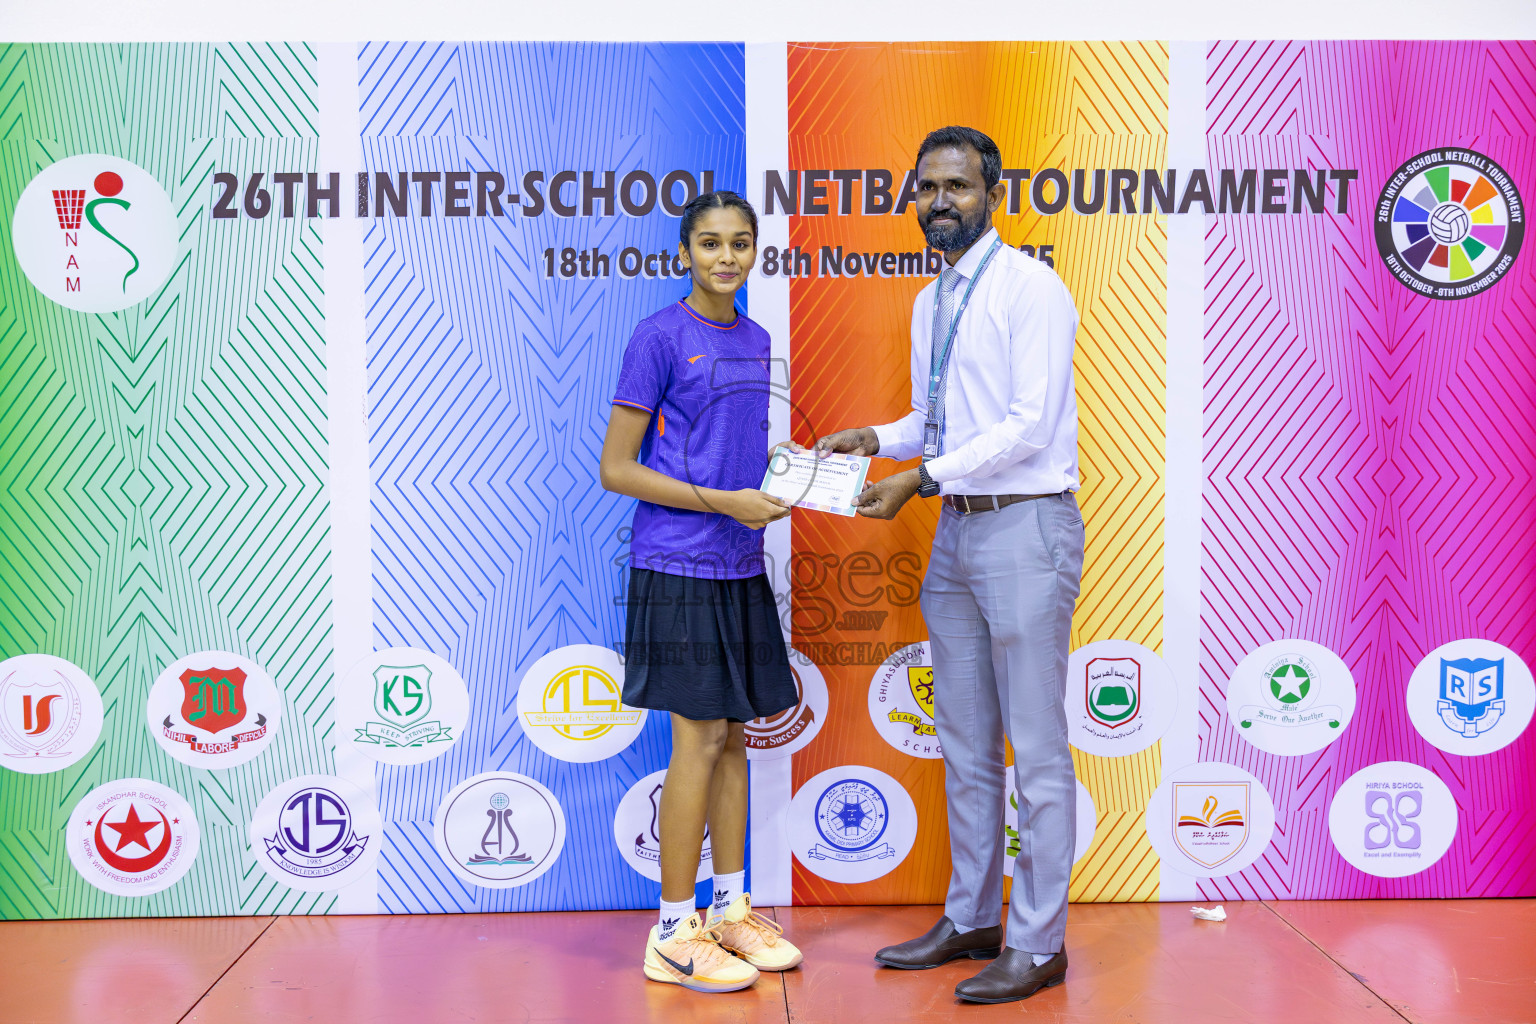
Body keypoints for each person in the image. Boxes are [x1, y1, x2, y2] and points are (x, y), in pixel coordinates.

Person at [809, 126, 1084, 1004]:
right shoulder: (932, 299)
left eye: (957, 186)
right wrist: (878, 439)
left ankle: (1038, 943)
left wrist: (921, 477)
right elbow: (943, 422)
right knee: (965, 741)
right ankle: (971, 918)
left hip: (1025, 526)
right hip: (960, 529)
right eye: (927, 188)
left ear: (993, 194)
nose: (939, 202)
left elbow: (1027, 426)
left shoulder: (1030, 288)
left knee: (1035, 749)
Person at [599, 190, 805, 993]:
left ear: (756, 251)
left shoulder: (757, 340)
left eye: (740, 243)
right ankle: (672, 932)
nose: (727, 257)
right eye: (711, 243)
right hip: (676, 564)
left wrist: (794, 480)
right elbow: (618, 469)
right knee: (699, 739)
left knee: (734, 739)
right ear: (684, 253)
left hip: (739, 564)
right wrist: (726, 502)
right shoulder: (658, 336)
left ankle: (728, 909)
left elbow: (738, 456)